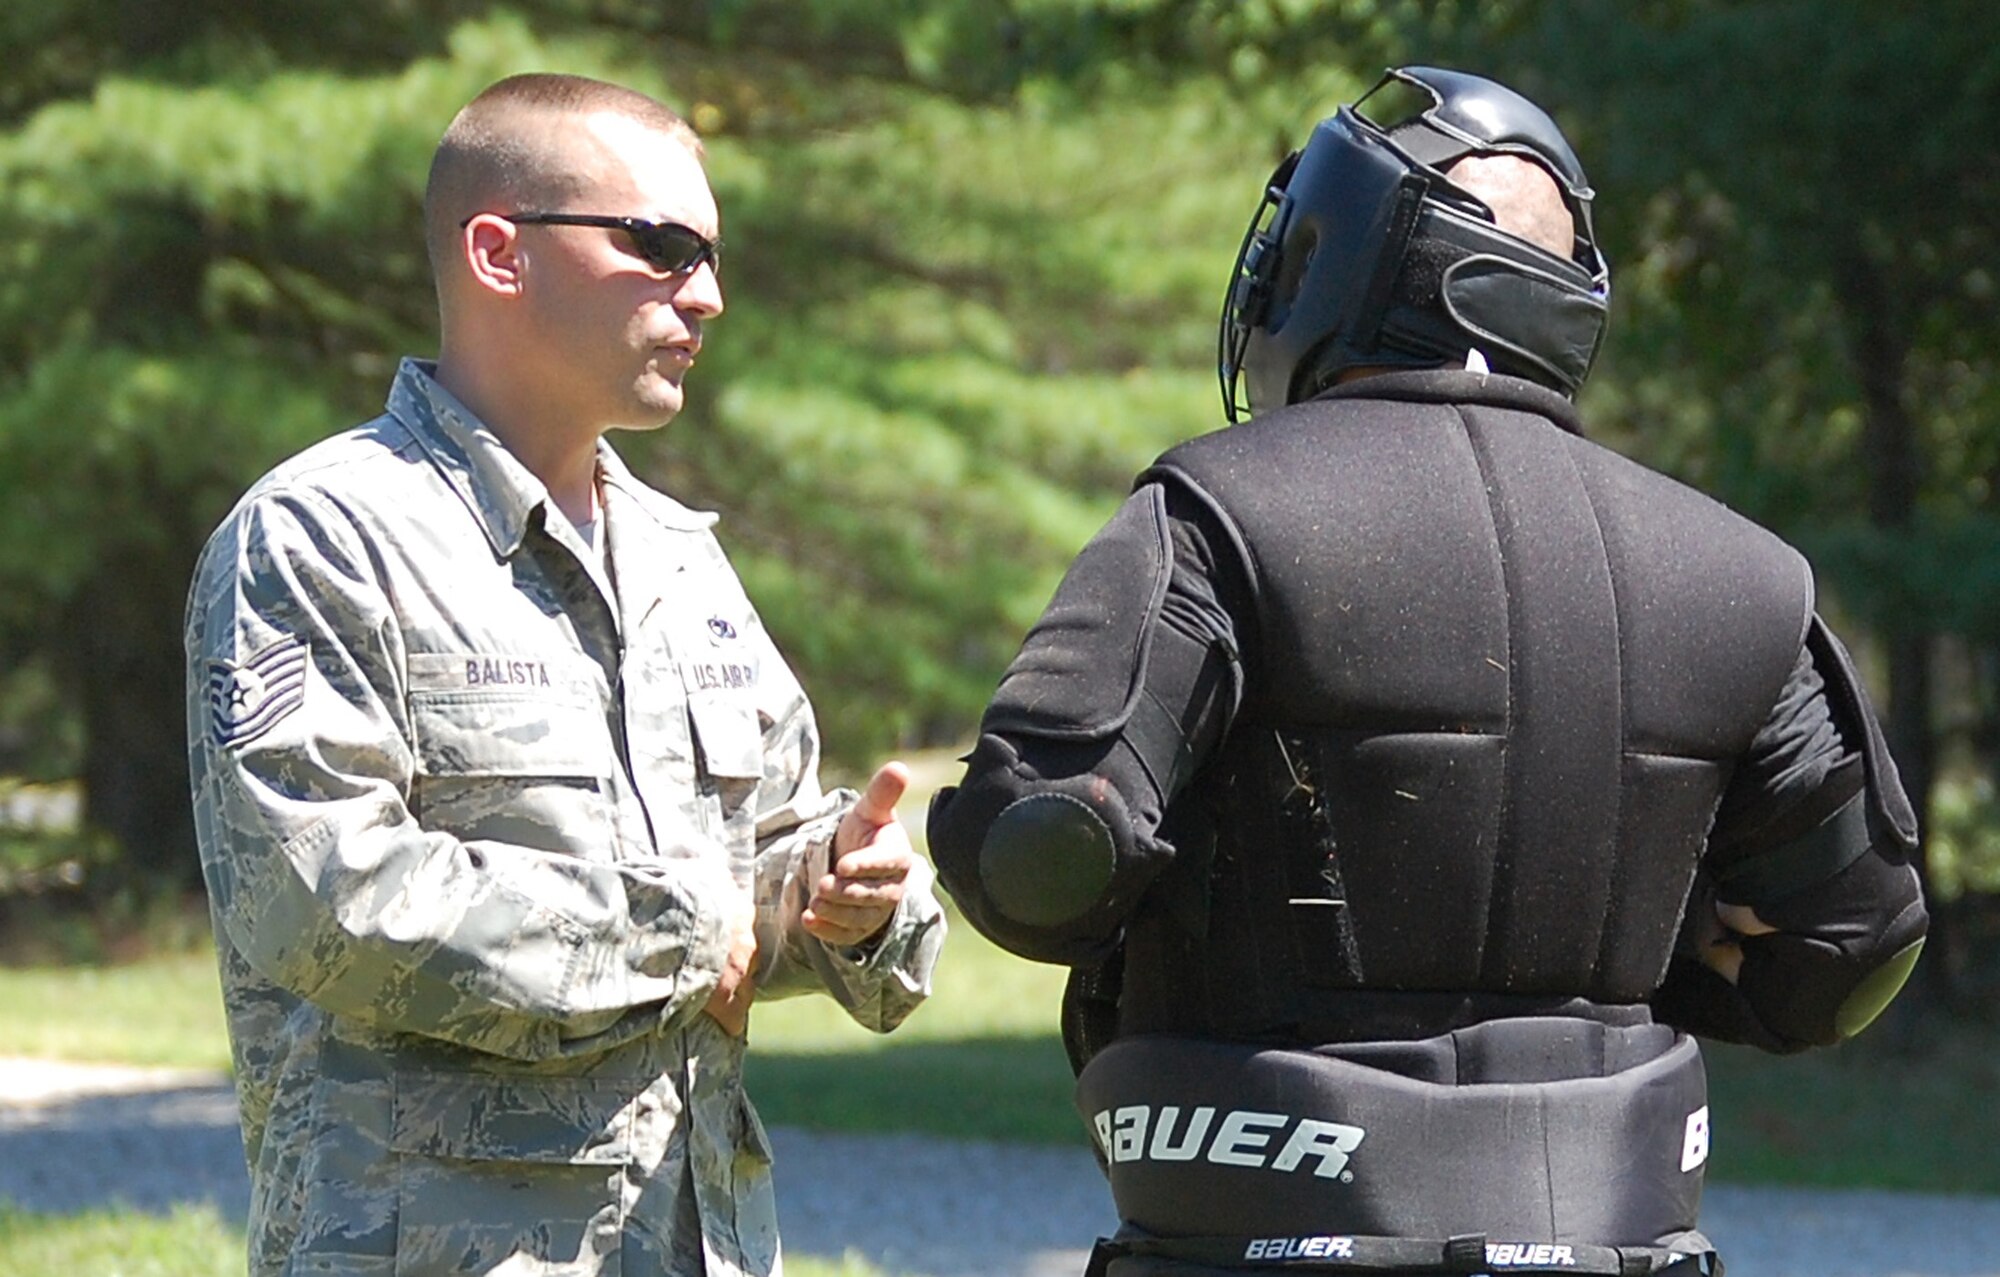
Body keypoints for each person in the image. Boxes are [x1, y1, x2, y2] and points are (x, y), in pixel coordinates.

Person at [928, 66, 1927, 1276]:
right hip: (1619, 1238)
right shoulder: (1745, 575)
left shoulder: (1214, 513)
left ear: (1334, 260)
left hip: (1257, 1232)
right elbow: (1857, 946)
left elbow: (1036, 852)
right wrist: (1650, 958)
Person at [185, 72, 945, 1277]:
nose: (708, 292)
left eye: (710, 253)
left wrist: (844, 896)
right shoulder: (321, 537)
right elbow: (322, 900)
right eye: (660, 244)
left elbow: (768, 857)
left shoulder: (682, 564)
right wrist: (694, 934)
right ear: (498, 252)